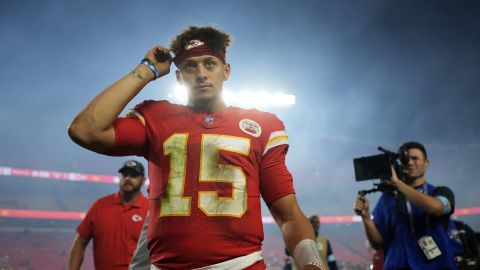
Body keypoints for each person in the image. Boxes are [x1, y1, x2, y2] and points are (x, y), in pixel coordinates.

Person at [68, 25, 325, 270]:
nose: (201, 73)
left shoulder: (262, 125)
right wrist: (147, 70)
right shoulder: (156, 118)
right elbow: (85, 130)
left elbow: (289, 214)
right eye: (190, 66)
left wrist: (313, 263)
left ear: (226, 71)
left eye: (209, 64)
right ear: (179, 77)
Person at [353, 141, 457, 270]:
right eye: (405, 159)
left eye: (415, 158)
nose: (409, 162)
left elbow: (436, 208)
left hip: (435, 266)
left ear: (426, 164)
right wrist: (366, 218)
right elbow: (377, 243)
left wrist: (399, 184)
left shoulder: (440, 192)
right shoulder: (386, 199)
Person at [68, 160, 149, 270]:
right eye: (124, 175)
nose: (128, 178)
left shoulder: (150, 209)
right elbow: (80, 243)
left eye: (134, 175)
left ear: (143, 180)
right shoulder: (100, 206)